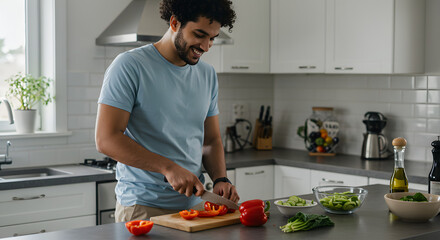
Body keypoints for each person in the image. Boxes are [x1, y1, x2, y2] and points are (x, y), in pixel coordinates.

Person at [95, 0, 238, 222]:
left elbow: (210, 140)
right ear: (174, 22)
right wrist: (168, 167)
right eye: (199, 34)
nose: (206, 46)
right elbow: (106, 139)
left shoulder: (207, 74)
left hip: (194, 207)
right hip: (143, 207)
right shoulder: (129, 66)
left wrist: (221, 178)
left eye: (212, 38)